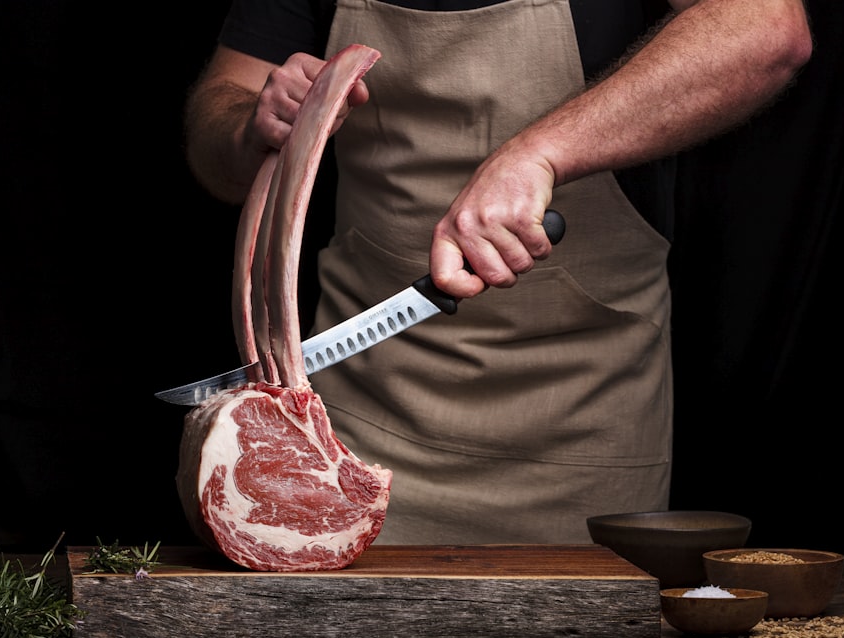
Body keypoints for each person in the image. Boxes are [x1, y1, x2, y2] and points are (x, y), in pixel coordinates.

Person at [183, 0, 812, 544]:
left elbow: (764, 27)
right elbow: (220, 134)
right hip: (352, 426)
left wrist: (541, 153)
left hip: (583, 422)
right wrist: (254, 125)